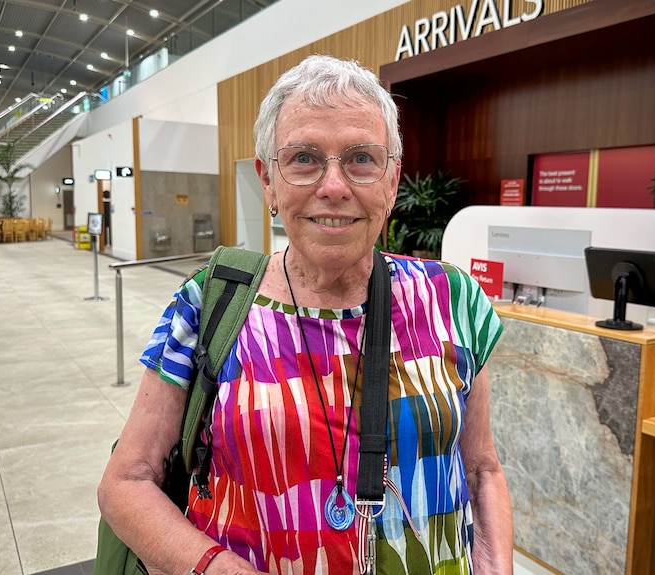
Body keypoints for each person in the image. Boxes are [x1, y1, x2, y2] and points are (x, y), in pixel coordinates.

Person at [98, 54, 513, 575]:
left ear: (391, 180)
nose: (334, 186)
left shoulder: (452, 298)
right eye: (303, 158)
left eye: (361, 158)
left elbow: (481, 470)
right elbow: (126, 481)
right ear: (268, 182)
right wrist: (216, 568)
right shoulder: (209, 302)